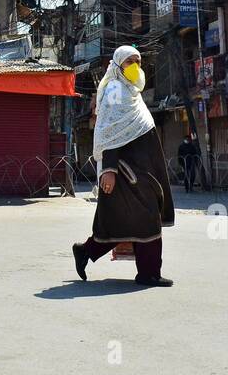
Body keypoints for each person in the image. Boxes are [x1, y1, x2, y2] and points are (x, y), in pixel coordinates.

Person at [72, 46, 176, 287]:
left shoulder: (130, 91)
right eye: (129, 61)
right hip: (127, 170)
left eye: (138, 61)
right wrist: (109, 169)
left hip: (140, 168)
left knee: (126, 220)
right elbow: (110, 130)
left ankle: (86, 250)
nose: (134, 66)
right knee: (147, 217)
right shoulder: (115, 89)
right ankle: (149, 273)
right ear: (118, 64)